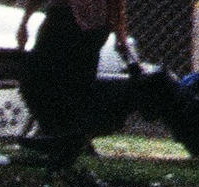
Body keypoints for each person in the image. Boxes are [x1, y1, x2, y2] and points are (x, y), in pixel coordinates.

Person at [16, 0, 122, 166]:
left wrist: (119, 32)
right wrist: (25, 22)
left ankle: (69, 140)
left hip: (86, 24)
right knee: (37, 80)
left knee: (73, 85)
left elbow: (116, 5)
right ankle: (59, 136)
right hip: (69, 17)